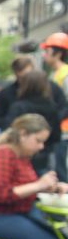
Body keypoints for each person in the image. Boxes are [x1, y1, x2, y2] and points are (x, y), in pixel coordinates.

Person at [0, 54, 66, 131]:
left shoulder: (52, 89)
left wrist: (51, 123)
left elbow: (63, 108)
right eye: (22, 77)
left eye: (28, 76)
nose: (25, 80)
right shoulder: (5, 95)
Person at [9, 68, 63, 174]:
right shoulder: (51, 106)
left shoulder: (18, 106)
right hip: (44, 157)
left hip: (19, 157)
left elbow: (10, 132)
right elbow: (56, 135)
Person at [41, 32, 68, 179]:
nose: (44, 55)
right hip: (56, 130)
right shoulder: (55, 74)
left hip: (63, 132)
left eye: (47, 51)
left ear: (57, 54)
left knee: (61, 171)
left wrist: (56, 119)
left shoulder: (65, 74)